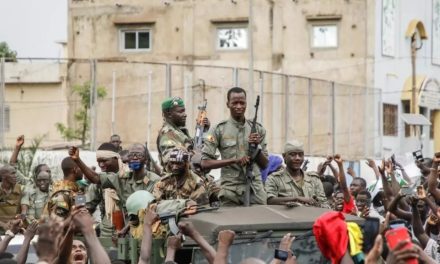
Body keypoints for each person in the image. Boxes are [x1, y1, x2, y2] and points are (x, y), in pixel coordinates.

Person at [201, 87, 268, 206]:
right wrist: (234, 161)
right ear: (228, 104)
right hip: (230, 192)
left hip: (255, 191)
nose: (239, 106)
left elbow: (265, 165)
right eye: (234, 103)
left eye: (242, 103)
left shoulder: (258, 129)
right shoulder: (218, 130)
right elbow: (205, 163)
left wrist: (256, 148)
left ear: (246, 104)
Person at [265, 141, 327, 207]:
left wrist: (317, 204)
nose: (297, 158)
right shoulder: (274, 178)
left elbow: (324, 204)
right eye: (293, 154)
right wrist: (296, 199)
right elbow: (269, 200)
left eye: (300, 155)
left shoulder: (314, 179)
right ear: (284, 156)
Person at [157, 97, 195, 168]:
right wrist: (194, 155)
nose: (185, 114)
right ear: (169, 114)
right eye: (180, 111)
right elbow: (171, 156)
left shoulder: (179, 131)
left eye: (184, 111)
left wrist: (203, 131)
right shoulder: (167, 133)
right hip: (176, 178)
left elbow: (191, 146)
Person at [0, 165, 22, 229]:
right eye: (12, 173)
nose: (15, 176)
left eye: (15, 173)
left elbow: (24, 212)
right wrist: (3, 225)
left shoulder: (20, 189)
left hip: (16, 227)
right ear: (3, 176)